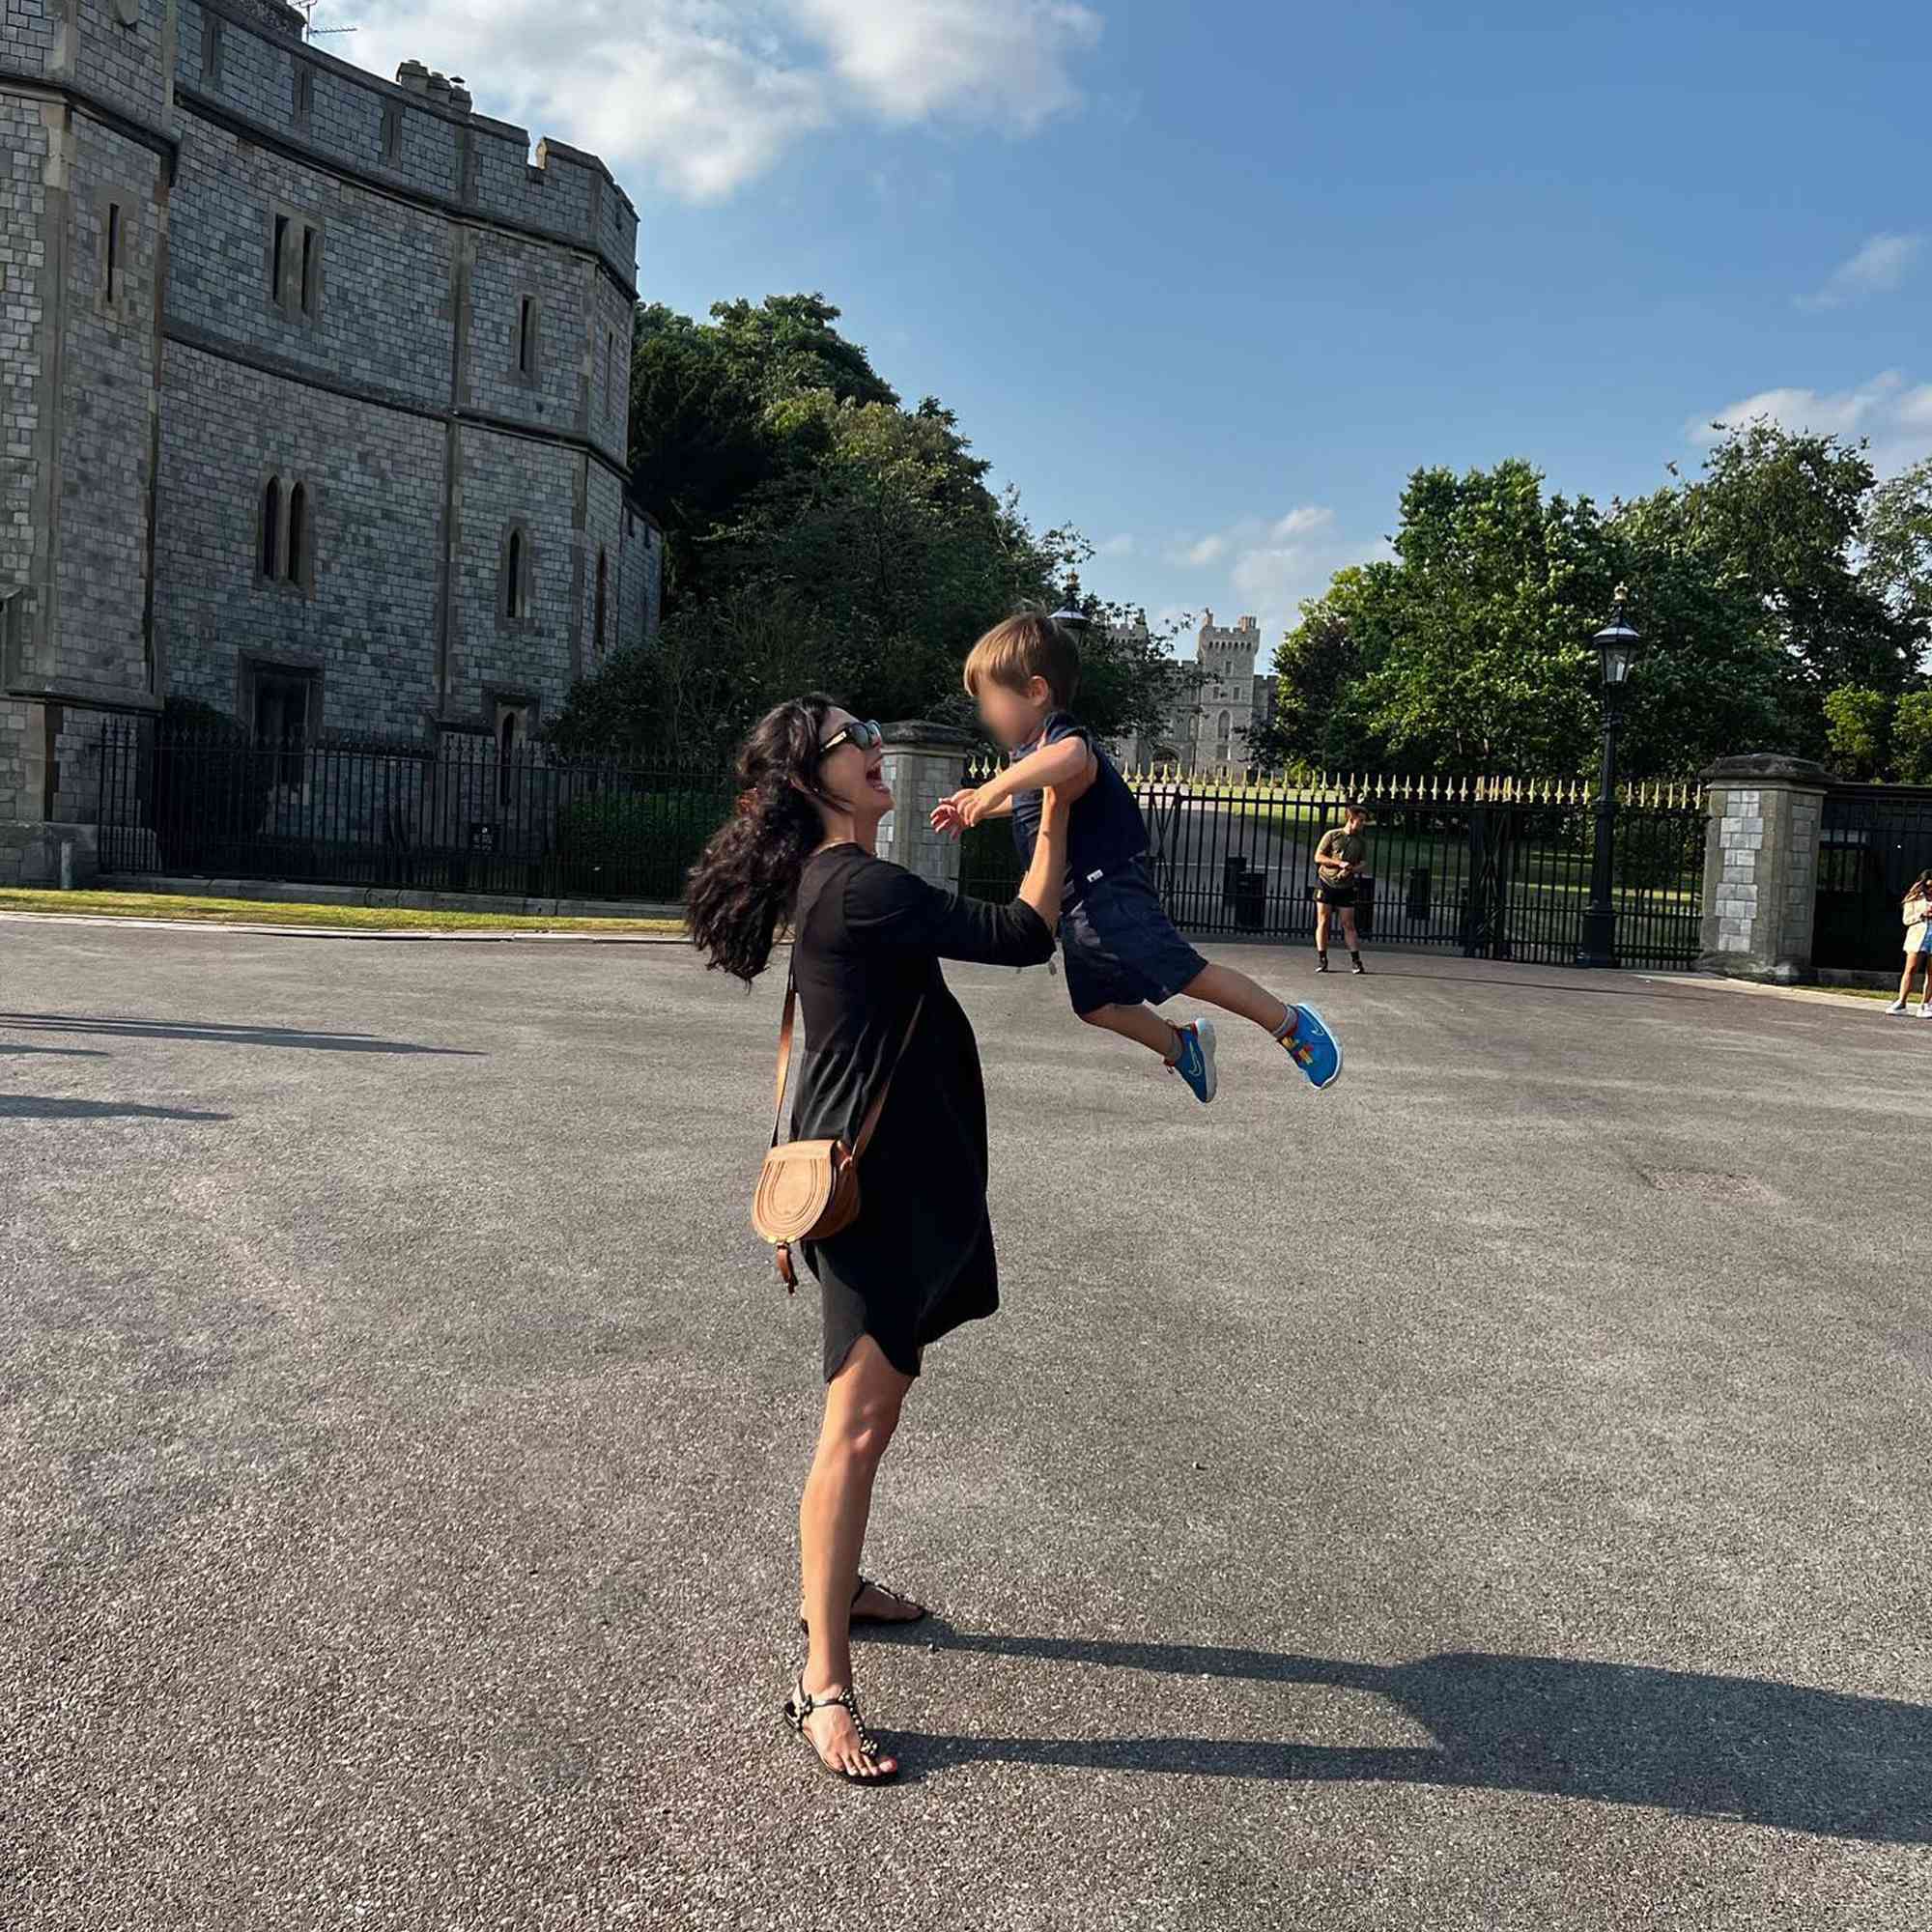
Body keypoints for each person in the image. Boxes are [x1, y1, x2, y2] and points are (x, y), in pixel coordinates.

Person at [687, 696, 1074, 1788]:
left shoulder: (840, 884)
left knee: (874, 1411)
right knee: (853, 1430)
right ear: (814, 779)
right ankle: (821, 1680)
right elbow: (1024, 933)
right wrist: (1051, 799)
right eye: (854, 744)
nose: (872, 755)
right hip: (871, 1201)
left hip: (886, 1189)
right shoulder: (857, 884)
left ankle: (839, 1583)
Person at [931, 610, 1342, 1103]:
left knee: (1186, 972)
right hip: (1077, 902)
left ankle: (1291, 1024)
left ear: (1036, 692)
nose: (985, 714)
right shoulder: (1028, 759)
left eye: (990, 701)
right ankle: (1181, 1045)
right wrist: (977, 807)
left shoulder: (1061, 739)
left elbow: (1071, 762)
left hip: (1109, 888)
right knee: (1096, 1004)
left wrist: (993, 786)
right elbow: (1022, 798)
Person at [1312, 803, 1369, 974]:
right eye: (1360, 820)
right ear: (1350, 819)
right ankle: (1322, 959)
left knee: (1348, 923)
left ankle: (1356, 960)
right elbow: (1318, 857)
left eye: (1364, 821)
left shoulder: (1361, 842)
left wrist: (1352, 869)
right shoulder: (1333, 835)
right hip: (1326, 882)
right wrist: (1339, 863)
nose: (1362, 824)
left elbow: (1364, 863)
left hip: (1346, 886)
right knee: (1323, 920)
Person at [1887, 869, 1932, 1016]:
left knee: (1931, 973)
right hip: (1918, 936)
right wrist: (1922, 915)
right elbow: (1906, 919)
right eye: (1928, 886)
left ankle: (1925, 1004)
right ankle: (1901, 1002)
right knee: (1911, 969)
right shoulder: (1914, 897)